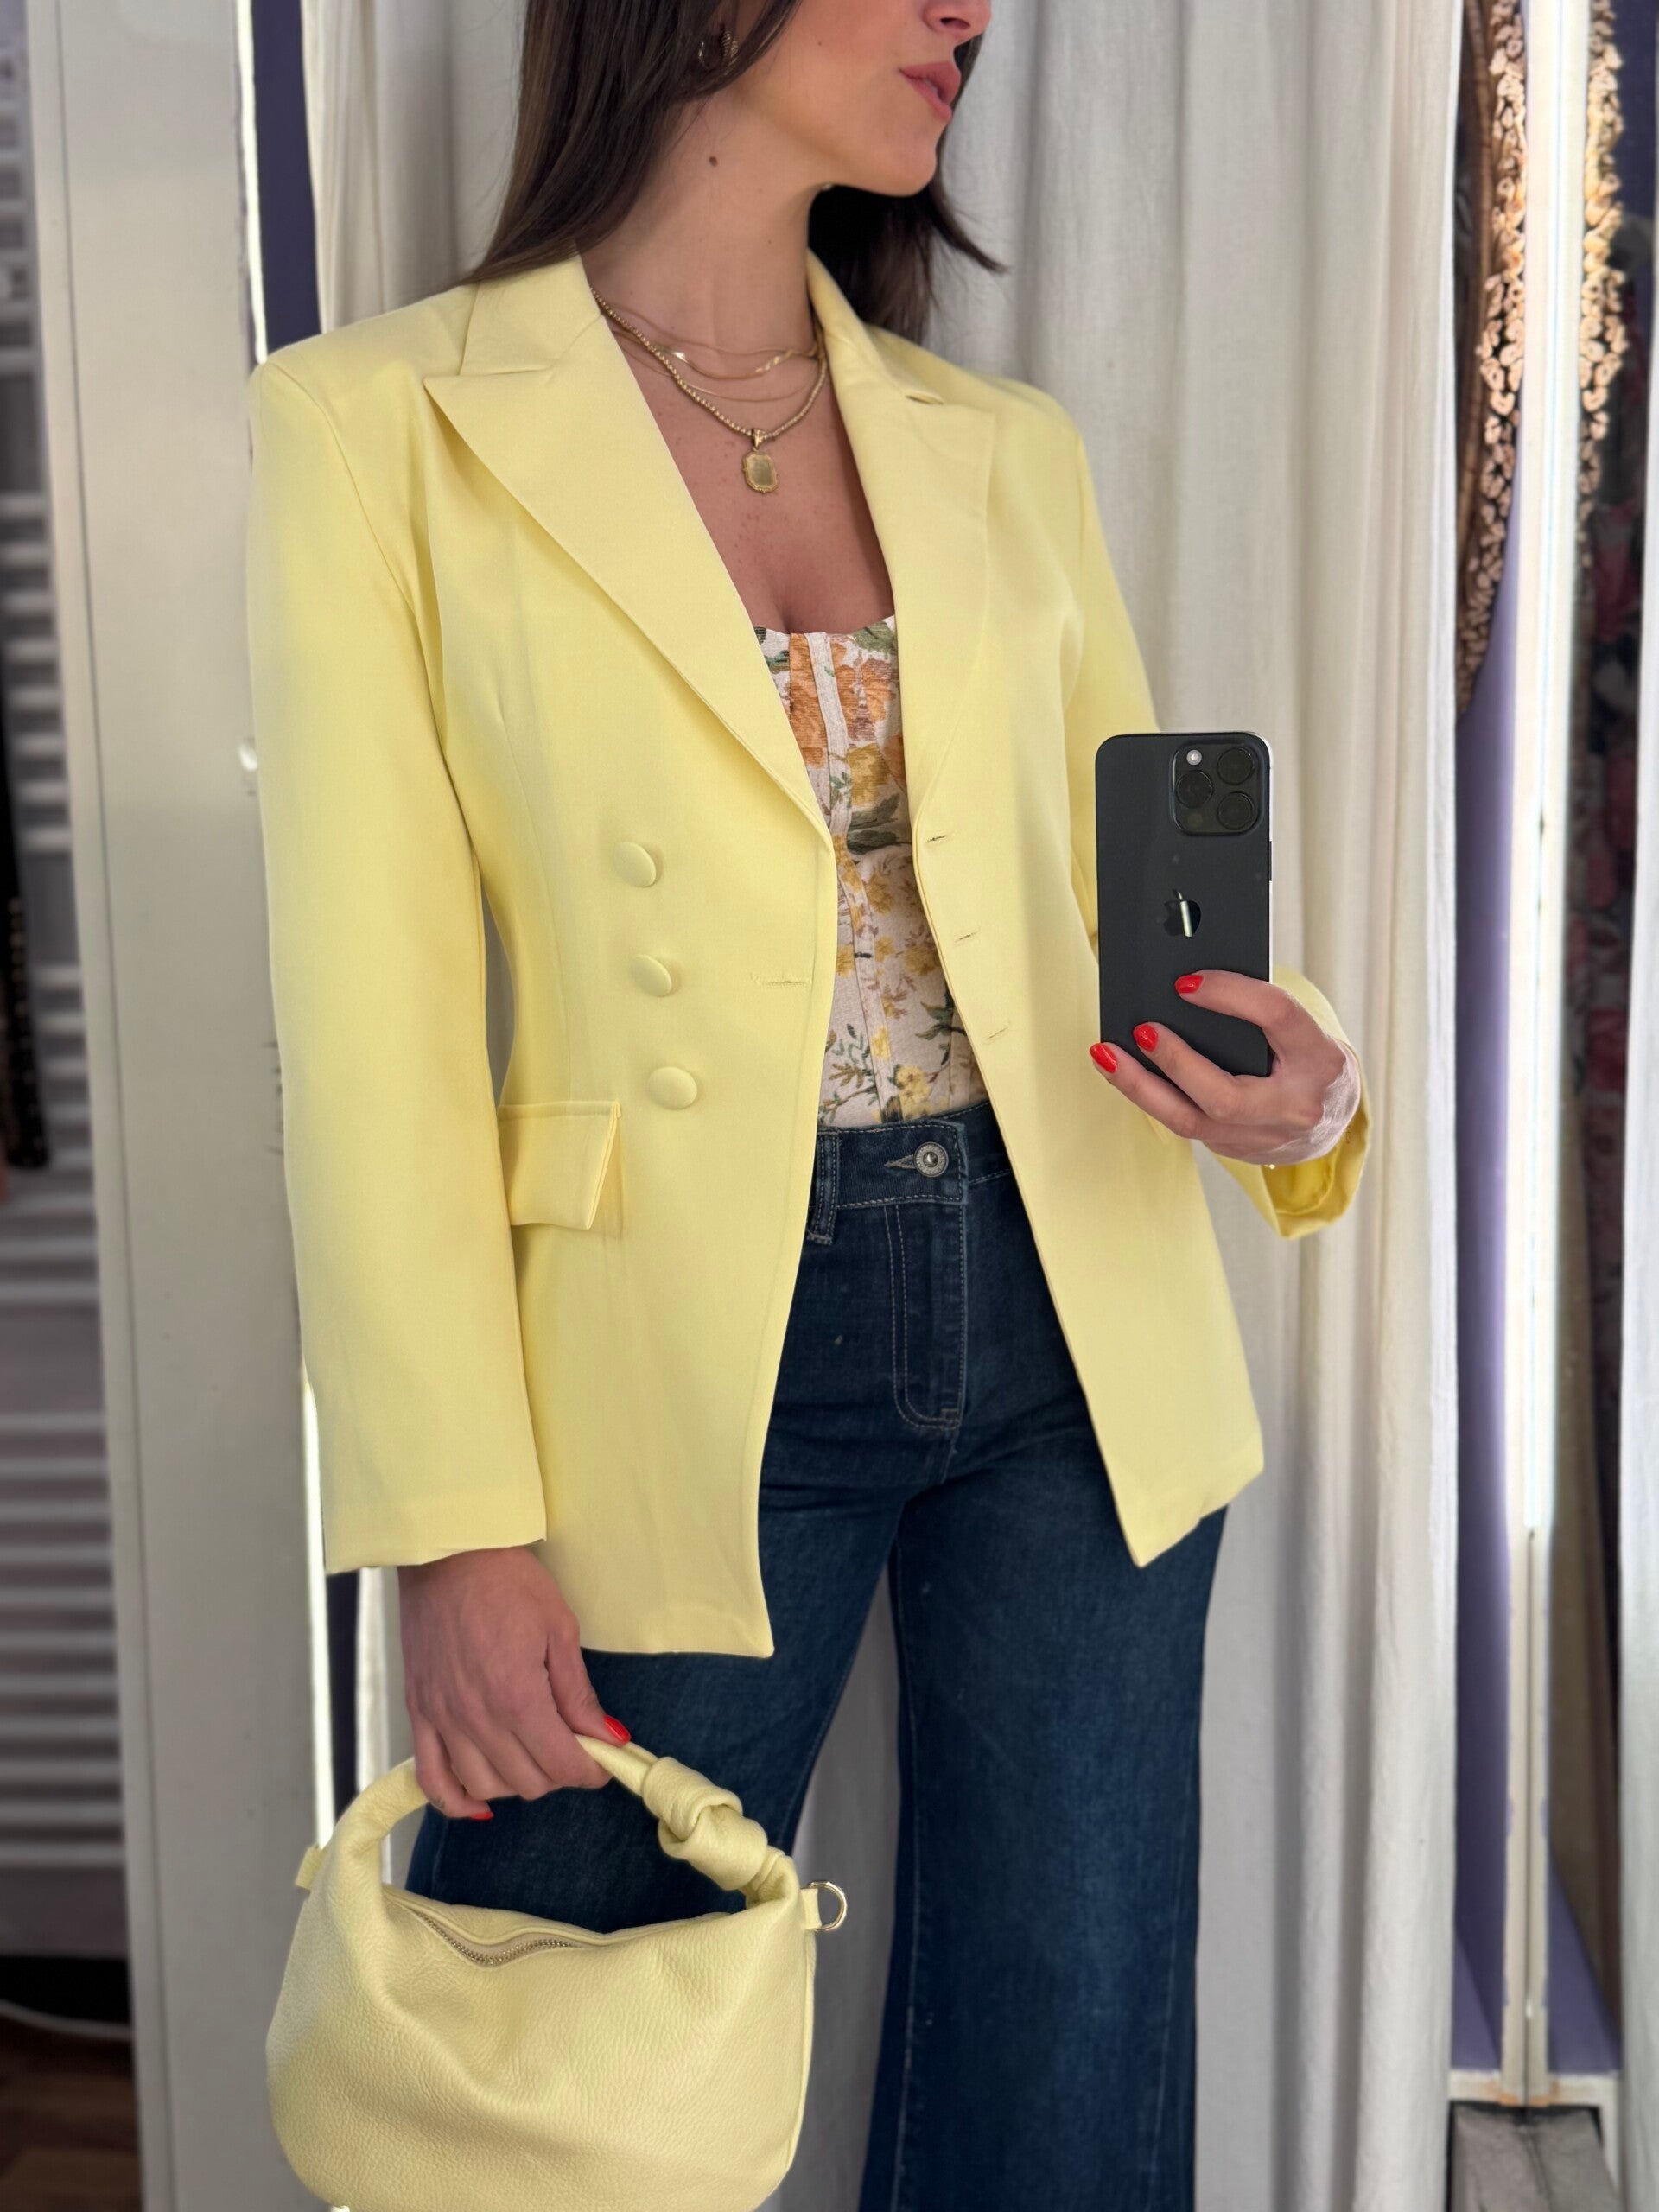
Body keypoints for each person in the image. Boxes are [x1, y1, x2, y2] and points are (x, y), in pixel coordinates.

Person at [243, 3, 1368, 2204]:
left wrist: (1295, 1076)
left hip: (1078, 1315)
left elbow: (1101, 904)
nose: (972, 14)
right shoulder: (380, 425)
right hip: (677, 1352)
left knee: (1068, 2060)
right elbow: (371, 1030)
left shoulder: (996, 442)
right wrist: (448, 1520)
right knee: (573, 2091)